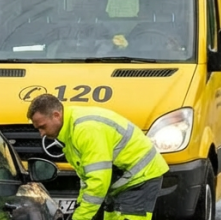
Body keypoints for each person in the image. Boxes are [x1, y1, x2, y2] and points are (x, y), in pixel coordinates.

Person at [27, 94, 169, 220]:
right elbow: (88, 179)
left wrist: (80, 217)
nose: (41, 134)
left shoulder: (85, 130)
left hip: (140, 177)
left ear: (56, 115)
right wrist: (80, 206)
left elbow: (98, 181)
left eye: (42, 127)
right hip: (124, 178)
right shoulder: (70, 131)